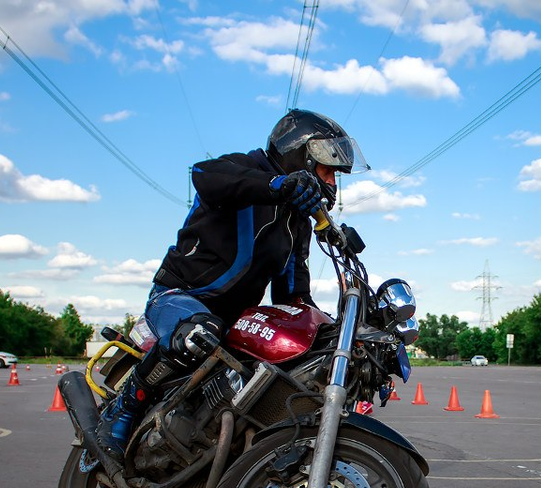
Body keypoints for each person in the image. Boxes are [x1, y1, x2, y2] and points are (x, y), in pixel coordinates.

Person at [95, 109, 368, 461]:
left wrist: (323, 328)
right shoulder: (244, 170)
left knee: (294, 352)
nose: (332, 183)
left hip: (234, 320)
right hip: (181, 299)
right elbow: (205, 175)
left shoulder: (297, 220)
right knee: (198, 332)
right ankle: (124, 409)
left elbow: (293, 292)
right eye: (328, 170)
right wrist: (277, 186)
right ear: (299, 154)